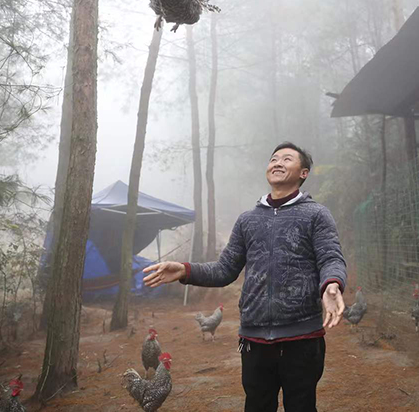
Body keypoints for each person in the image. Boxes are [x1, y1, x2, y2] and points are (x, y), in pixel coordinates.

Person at [143, 142, 347, 412]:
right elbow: (225, 269)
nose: (277, 163)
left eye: (287, 159)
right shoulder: (247, 220)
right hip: (254, 340)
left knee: (302, 406)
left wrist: (332, 283)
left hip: (302, 337)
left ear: (304, 173)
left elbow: (330, 257)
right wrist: (185, 270)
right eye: (274, 159)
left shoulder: (316, 215)